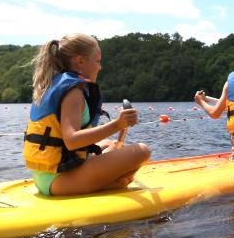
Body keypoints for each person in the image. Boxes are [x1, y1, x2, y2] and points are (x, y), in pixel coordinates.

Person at [23, 33, 151, 196]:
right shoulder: (73, 92)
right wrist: (117, 124)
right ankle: (112, 185)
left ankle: (109, 182)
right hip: (57, 180)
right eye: (97, 61)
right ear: (80, 61)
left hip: (46, 176)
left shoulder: (55, 83)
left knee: (110, 145)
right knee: (142, 151)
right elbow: (71, 141)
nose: (100, 67)